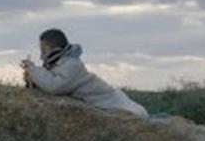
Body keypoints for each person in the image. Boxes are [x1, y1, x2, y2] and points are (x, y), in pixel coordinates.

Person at [20, 28, 148, 117]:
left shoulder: (72, 65)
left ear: (55, 50)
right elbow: (50, 81)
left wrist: (33, 69)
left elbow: (55, 86)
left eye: (44, 51)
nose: (42, 57)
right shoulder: (62, 63)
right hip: (110, 102)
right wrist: (32, 80)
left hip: (118, 104)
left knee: (139, 117)